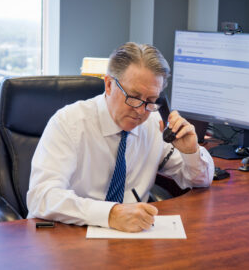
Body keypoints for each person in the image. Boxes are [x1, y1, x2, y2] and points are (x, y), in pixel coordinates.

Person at [27, 42, 214, 232]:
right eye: (133, 96)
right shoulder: (69, 123)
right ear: (109, 85)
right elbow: (41, 197)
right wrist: (111, 214)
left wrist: (191, 152)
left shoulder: (153, 124)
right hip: (71, 234)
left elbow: (199, 180)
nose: (141, 111)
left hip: (133, 238)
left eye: (151, 101)